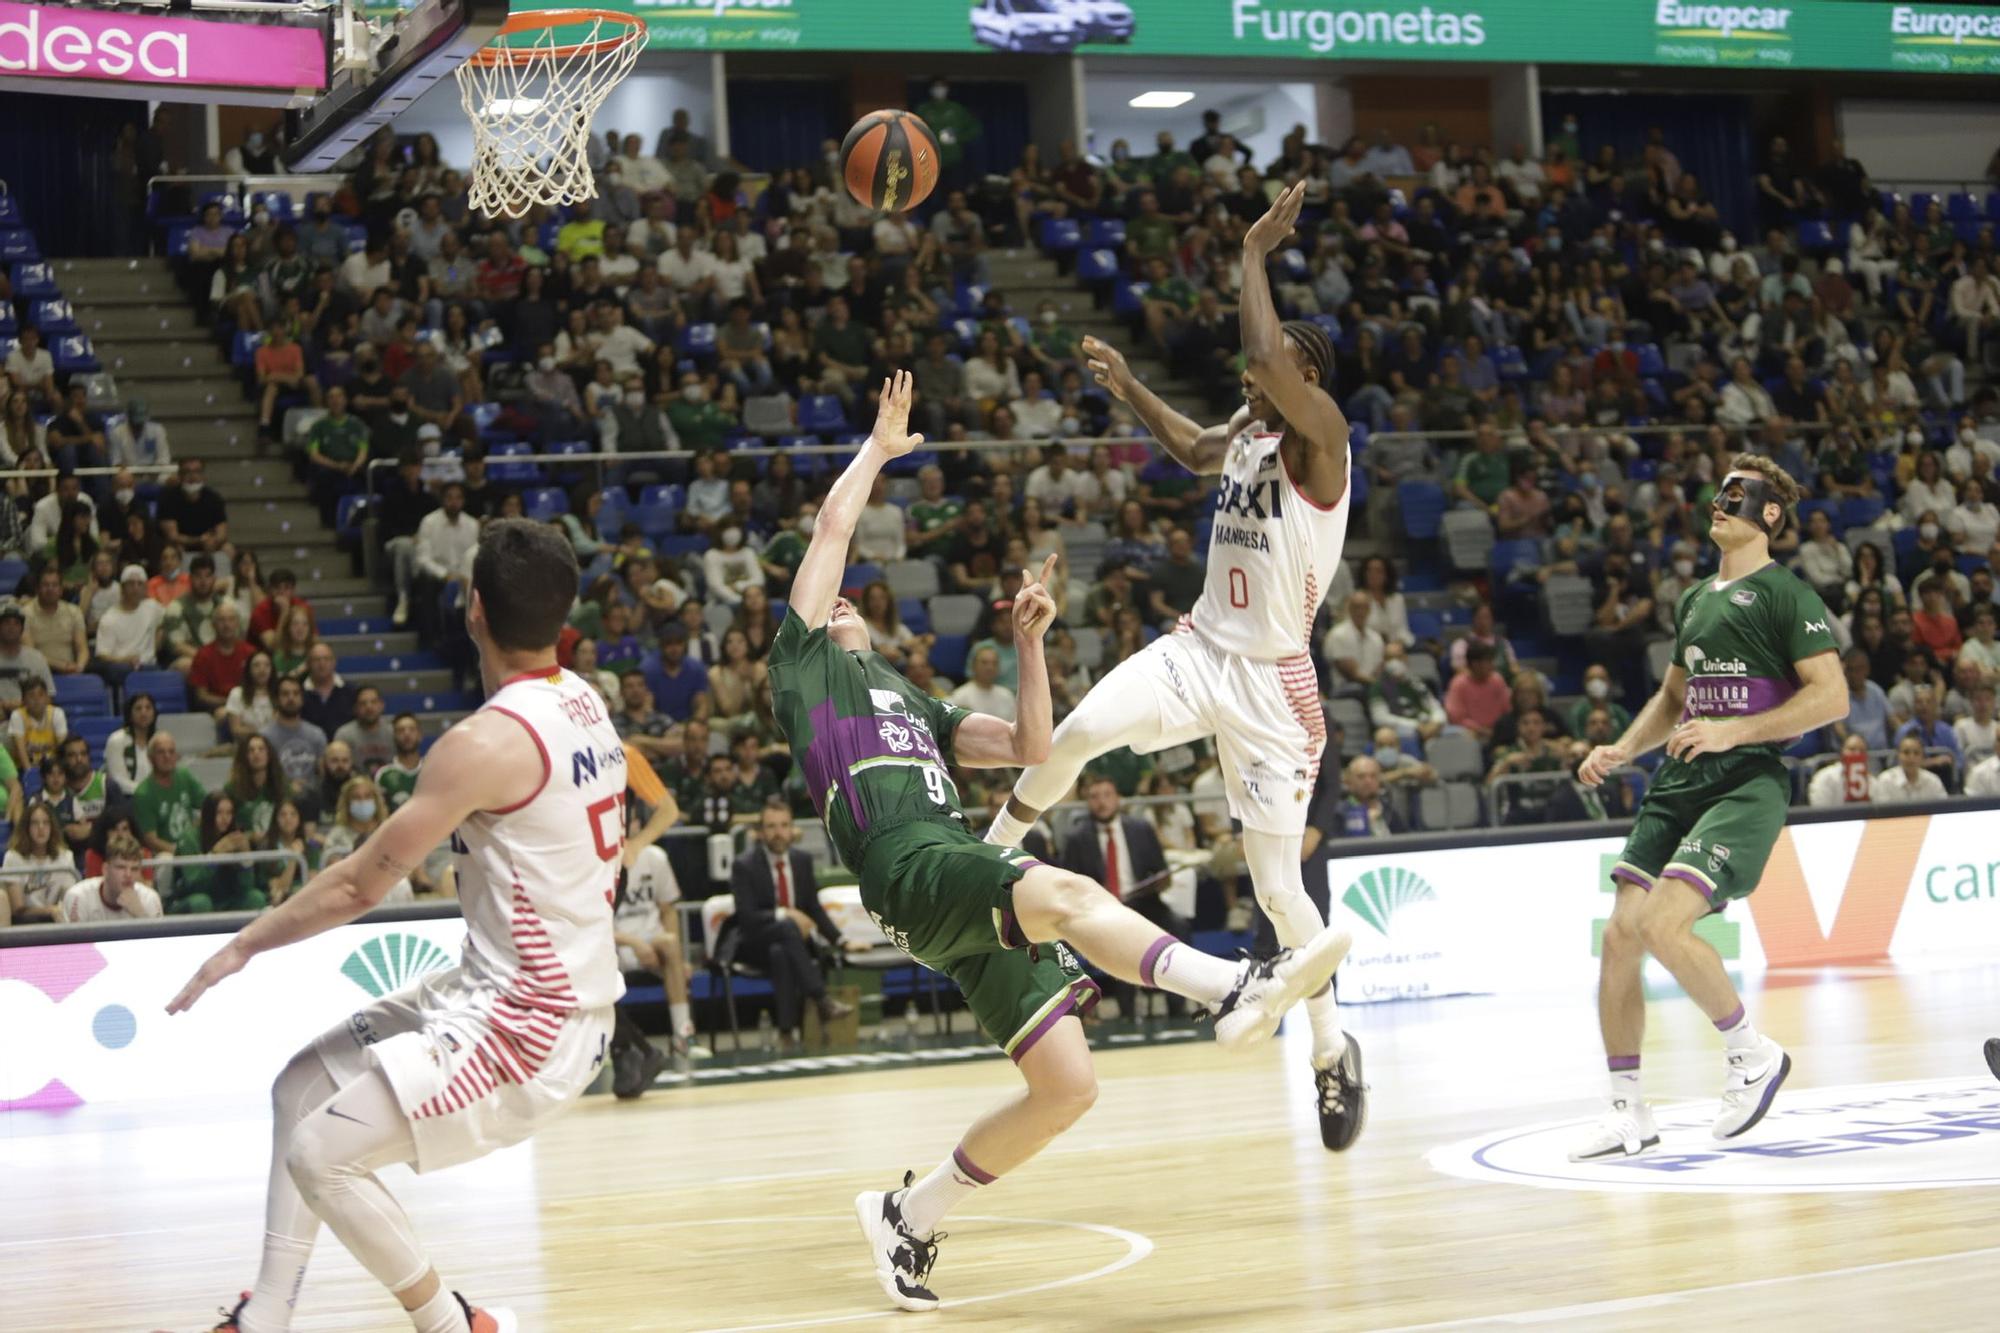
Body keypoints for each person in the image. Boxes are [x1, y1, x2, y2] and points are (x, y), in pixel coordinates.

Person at [769, 371, 1346, 1311]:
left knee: (1067, 1086)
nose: (838, 606)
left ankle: (908, 1215)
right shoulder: (806, 673)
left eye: (846, 605)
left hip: (950, 875)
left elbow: (1032, 750)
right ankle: (1231, 984)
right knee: (1067, 891)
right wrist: (877, 450)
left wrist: (1031, 644)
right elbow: (832, 534)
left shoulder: (915, 698)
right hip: (910, 868)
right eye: (828, 606)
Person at [167, 518, 624, 1333]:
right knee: (298, 1086)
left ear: (472, 608)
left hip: (532, 1026)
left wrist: (240, 945)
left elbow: (356, 885)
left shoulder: (483, 742)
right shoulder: (587, 702)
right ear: (564, 614)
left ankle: (452, 1325)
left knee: (319, 1154)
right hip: (501, 991)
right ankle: (266, 1314)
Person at [984, 184, 1365, 1153]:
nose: (1258, 376)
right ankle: (992, 851)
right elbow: (1195, 446)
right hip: (1198, 650)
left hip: (1273, 686)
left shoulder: (1320, 444)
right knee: (1074, 734)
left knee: (1280, 893)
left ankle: (1328, 1044)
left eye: (1281, 369)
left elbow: (1270, 355)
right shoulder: (1244, 434)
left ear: (1311, 381)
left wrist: (1249, 252)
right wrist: (1125, 387)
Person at [1571, 457, 1845, 1162]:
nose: (1717, 503)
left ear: (1769, 515)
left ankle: (1751, 1053)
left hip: (1744, 779)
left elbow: (1831, 698)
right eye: (1718, 493)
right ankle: (1629, 1110)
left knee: (1664, 922)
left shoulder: (1787, 594)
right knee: (1620, 937)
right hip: (1677, 779)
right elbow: (1671, 700)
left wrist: (1732, 730)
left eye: (1735, 495)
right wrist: (1623, 748)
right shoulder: (1694, 598)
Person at [728, 799, 854, 1046]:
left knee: (781, 952)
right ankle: (822, 1000)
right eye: (771, 826)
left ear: (793, 829)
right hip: (754, 941)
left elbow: (814, 908)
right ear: (761, 832)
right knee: (785, 930)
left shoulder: (801, 860)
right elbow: (747, 917)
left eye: (784, 825)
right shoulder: (744, 865)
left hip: (789, 945)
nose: (778, 833)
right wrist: (786, 914)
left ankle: (786, 1033)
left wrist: (842, 940)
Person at [3, 799, 80, 923]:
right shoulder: (13, 857)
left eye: (46, 823)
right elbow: (17, 910)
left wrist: (56, 912)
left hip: (56, 919)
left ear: (52, 827)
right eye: (35, 823)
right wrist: (49, 910)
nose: (41, 828)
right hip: (24, 923)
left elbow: (69, 900)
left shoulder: (65, 856)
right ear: (26, 828)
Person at [59, 832, 162, 923]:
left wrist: (141, 916)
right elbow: (75, 944)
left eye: (134, 869)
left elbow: (160, 944)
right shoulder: (79, 897)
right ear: (105, 869)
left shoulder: (150, 899)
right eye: (121, 867)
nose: (128, 874)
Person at [1873, 732, 1948, 804]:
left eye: (1916, 753)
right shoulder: (1885, 780)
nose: (1911, 758)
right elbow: (1880, 814)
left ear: (1922, 757)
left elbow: (1943, 809)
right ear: (1898, 755)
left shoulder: (1933, 781)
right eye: (1906, 752)